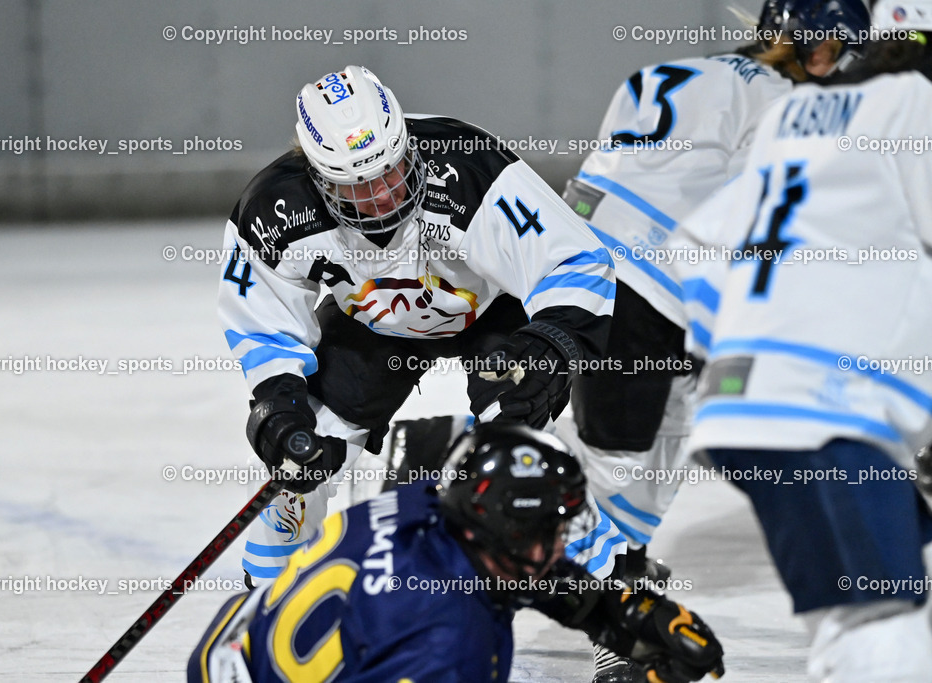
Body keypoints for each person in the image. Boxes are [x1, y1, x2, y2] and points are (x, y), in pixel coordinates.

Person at [219, 65, 616, 583]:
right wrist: (279, 405)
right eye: (360, 186)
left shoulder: (471, 166)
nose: (385, 195)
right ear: (317, 178)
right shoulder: (274, 209)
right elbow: (262, 322)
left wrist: (547, 346)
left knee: (514, 458)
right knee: (297, 463)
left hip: (492, 311)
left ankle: (618, 595)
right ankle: (269, 611)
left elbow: (576, 261)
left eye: (392, 169)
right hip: (370, 325)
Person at [556, 0, 870, 579]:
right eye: (832, 53)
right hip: (658, 288)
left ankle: (616, 559)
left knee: (654, 435)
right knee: (622, 456)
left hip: (584, 266)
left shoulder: (670, 72)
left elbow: (598, 182)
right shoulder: (785, 104)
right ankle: (532, 543)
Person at [676, 3, 932, 678]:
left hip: (740, 409)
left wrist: (738, 353)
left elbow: (697, 250)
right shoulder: (915, 110)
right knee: (890, 629)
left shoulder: (794, 117)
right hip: (832, 415)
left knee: (853, 621)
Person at [188, 423, 724, 682]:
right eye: (549, 528)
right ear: (504, 534)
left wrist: (614, 613)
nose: (562, 543)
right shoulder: (451, 643)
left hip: (227, 652)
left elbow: (509, 566)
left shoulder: (414, 506)